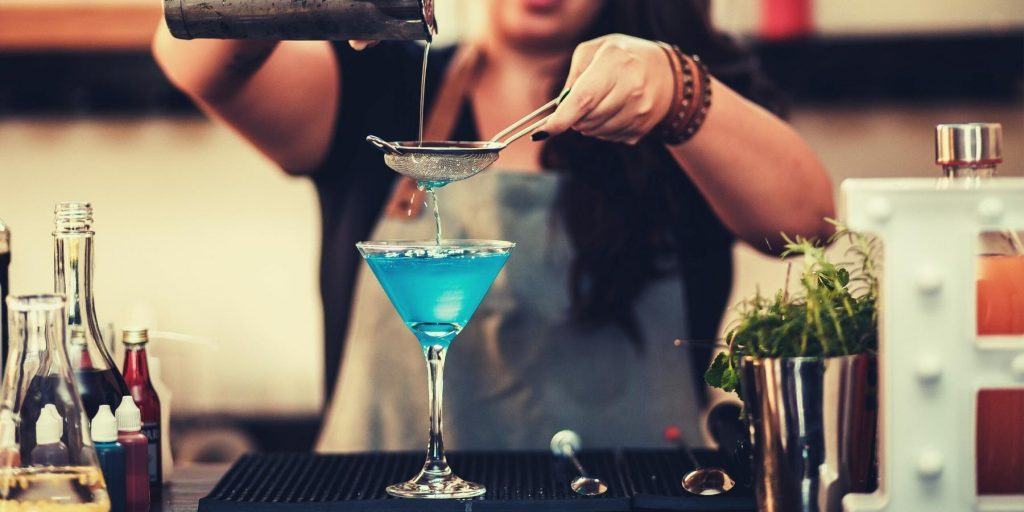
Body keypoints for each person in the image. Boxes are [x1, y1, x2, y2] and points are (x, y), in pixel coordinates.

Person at [153, 0, 834, 450]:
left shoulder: (675, 98)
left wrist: (678, 90)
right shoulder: (379, 82)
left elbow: (807, 219)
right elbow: (190, 57)